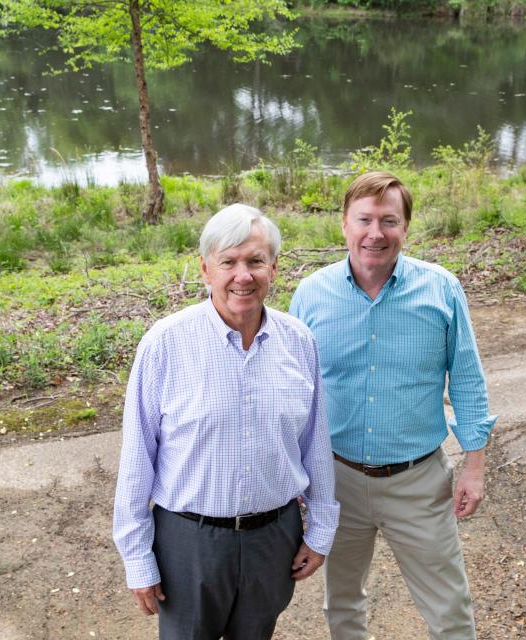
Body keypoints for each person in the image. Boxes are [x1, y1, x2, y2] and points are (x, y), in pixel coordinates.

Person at [112, 203, 339, 640]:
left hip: (273, 539)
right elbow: (137, 456)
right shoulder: (165, 343)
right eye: (229, 262)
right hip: (189, 542)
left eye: (255, 261)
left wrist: (322, 529)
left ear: (274, 268)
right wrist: (138, 558)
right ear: (205, 269)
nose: (243, 275)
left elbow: (315, 441)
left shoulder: (299, 341)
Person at [289, 171, 497, 640]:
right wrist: (297, 480)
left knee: (450, 610)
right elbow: (295, 396)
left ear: (406, 227)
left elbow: (466, 381)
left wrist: (474, 467)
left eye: (389, 221)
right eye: (364, 219)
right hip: (337, 481)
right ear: (344, 224)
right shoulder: (311, 296)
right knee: (342, 604)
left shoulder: (441, 290)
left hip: (418, 483)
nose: (375, 233)